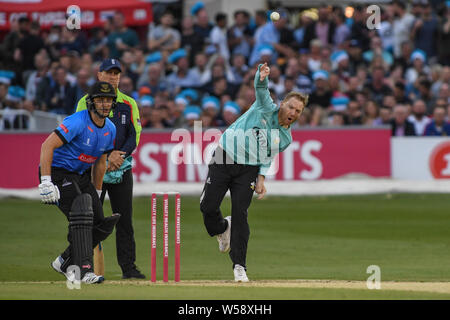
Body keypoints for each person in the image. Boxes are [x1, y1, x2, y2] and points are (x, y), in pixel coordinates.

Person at [200, 63, 307, 282]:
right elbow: (261, 88)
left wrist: (261, 178)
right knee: (208, 206)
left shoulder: (286, 138)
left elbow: (268, 154)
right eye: (291, 107)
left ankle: (239, 266)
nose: (293, 113)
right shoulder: (265, 106)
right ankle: (222, 228)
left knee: (241, 213)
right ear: (282, 104)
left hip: (247, 169)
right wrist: (262, 74)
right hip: (224, 155)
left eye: (298, 111)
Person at [38, 81, 119, 284]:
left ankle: (65, 261)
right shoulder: (77, 122)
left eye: (108, 100)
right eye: (100, 100)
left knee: (100, 222)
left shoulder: (110, 128)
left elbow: (101, 162)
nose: (105, 104)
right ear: (91, 102)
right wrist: (46, 181)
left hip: (80, 176)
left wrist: (98, 192)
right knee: (82, 212)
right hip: (58, 173)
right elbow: (47, 145)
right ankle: (83, 270)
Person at [76, 59, 144, 279]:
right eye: (109, 73)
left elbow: (135, 134)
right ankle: (85, 268)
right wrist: (105, 156)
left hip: (120, 168)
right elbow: (81, 134)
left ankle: (129, 269)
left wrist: (119, 155)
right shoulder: (84, 102)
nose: (113, 78)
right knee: (91, 219)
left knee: (124, 220)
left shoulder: (128, 103)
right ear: (99, 75)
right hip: (94, 168)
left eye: (116, 74)